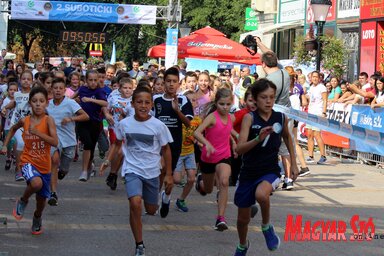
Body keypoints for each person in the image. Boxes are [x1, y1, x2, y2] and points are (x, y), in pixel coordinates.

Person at [99, 86, 173, 256]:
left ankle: (161, 198)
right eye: (139, 102)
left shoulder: (158, 126)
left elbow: (166, 149)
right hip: (132, 169)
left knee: (152, 209)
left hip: (152, 171)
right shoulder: (124, 124)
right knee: (135, 203)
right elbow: (117, 144)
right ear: (132, 104)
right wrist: (107, 161)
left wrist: (168, 174)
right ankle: (139, 244)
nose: (143, 105)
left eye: (147, 102)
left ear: (152, 105)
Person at [233, 79, 298, 255]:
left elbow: (288, 138)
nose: (268, 101)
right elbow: (239, 149)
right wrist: (257, 139)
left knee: (261, 194)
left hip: (270, 170)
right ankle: (242, 244)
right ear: (254, 99)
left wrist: (294, 163)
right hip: (248, 172)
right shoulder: (249, 118)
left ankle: (266, 226)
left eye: (271, 97)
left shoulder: (280, 117)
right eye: (264, 97)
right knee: (242, 219)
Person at [1, 86, 58, 235]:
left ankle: (37, 217)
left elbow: (55, 142)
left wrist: (38, 133)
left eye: (41, 101)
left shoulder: (48, 120)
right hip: (28, 161)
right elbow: (13, 129)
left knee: (41, 201)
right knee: (35, 183)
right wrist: (6, 145)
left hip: (44, 165)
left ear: (46, 103)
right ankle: (23, 200)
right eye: (34, 101)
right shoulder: (25, 120)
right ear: (30, 104)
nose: (38, 104)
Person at [152, 67, 193, 218]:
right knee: (159, 170)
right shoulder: (156, 100)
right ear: (163, 83)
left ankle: (166, 197)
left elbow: (188, 123)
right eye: (168, 81)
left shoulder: (183, 100)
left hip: (175, 144)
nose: (171, 84)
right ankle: (154, 201)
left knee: (170, 179)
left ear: (179, 83)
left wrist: (177, 111)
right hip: (158, 143)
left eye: (174, 81)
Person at [194, 88, 237, 231]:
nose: (225, 107)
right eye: (221, 104)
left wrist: (236, 140)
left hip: (224, 156)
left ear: (232, 103)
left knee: (224, 181)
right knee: (207, 189)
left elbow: (227, 130)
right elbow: (197, 132)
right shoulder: (212, 117)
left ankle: (220, 219)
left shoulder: (232, 117)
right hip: (208, 157)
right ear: (216, 103)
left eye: (228, 104)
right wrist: (207, 143)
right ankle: (200, 182)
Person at [46, 78, 89, 206]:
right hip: (54, 139)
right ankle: (53, 193)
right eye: (55, 88)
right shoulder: (47, 104)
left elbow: (85, 116)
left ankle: (63, 172)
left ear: (65, 90)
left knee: (64, 167)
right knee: (54, 162)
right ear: (51, 90)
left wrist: (71, 118)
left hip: (69, 140)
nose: (58, 91)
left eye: (60, 88)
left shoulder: (70, 103)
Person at [75, 70, 108, 181]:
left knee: (92, 148)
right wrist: (74, 100)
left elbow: (105, 103)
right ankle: (84, 171)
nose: (93, 82)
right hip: (83, 121)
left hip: (96, 122)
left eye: (95, 80)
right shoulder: (82, 89)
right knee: (87, 144)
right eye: (90, 80)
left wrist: (91, 100)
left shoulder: (99, 91)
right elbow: (72, 98)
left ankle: (89, 167)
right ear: (85, 81)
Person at [102, 77, 134, 190]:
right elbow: (105, 107)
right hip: (115, 127)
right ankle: (113, 174)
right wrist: (107, 114)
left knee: (122, 153)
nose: (127, 90)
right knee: (119, 151)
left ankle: (113, 174)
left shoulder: (135, 100)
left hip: (129, 130)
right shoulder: (113, 96)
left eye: (130, 88)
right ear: (120, 89)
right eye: (125, 88)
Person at [2, 70, 33, 181]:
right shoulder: (17, 94)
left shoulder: (34, 93)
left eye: (28, 79)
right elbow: (13, 103)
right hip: (17, 123)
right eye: (24, 79)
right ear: (20, 80)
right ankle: (18, 170)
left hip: (30, 124)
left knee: (28, 146)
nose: (26, 81)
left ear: (32, 81)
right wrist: (5, 108)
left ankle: (28, 167)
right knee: (19, 143)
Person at [174, 91, 202, 212]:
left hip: (190, 152)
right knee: (177, 180)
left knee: (191, 179)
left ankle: (181, 199)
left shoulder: (198, 120)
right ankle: (165, 191)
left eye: (194, 100)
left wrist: (199, 142)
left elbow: (198, 134)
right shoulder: (179, 118)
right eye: (189, 100)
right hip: (178, 152)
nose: (192, 102)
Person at [306, 71, 327, 164]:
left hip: (318, 113)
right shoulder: (311, 87)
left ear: (319, 78)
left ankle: (323, 156)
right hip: (310, 113)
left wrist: (324, 112)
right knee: (309, 134)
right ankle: (311, 155)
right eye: (313, 77)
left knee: (317, 134)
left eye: (316, 77)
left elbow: (325, 100)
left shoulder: (322, 87)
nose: (314, 78)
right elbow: (310, 100)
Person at [0, 81, 18, 170]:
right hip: (7, 126)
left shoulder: (19, 100)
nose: (13, 91)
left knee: (15, 142)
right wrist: (3, 112)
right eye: (11, 89)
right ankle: (9, 157)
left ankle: (15, 156)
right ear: (8, 91)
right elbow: (3, 112)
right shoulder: (6, 100)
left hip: (17, 126)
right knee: (9, 144)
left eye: (15, 90)